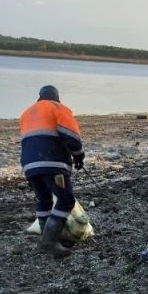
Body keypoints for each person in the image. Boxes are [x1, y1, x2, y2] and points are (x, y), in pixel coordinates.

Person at [19, 85, 85, 258]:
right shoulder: (58, 109)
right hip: (52, 162)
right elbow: (72, 137)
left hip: (29, 165)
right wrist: (79, 156)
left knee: (44, 200)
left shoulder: (27, 113)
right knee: (65, 201)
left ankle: (45, 238)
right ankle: (49, 242)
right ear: (57, 98)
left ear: (39, 97)